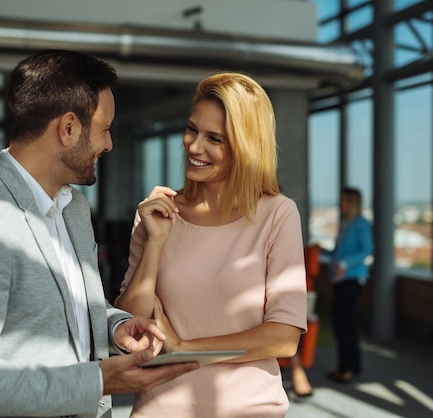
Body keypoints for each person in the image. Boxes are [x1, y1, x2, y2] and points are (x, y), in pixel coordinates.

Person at [0, 49, 198, 418]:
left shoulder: (74, 208)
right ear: (68, 129)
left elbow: (76, 311)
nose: (110, 144)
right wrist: (99, 380)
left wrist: (117, 326)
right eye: (105, 129)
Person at [115, 72, 308, 417]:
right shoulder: (157, 213)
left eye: (214, 138)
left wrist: (184, 348)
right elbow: (131, 323)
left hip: (249, 410)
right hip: (160, 408)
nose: (194, 146)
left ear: (245, 146)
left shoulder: (277, 215)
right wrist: (156, 242)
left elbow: (283, 338)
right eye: (192, 129)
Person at [321, 187, 373, 383]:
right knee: (341, 324)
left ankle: (349, 369)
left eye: (343, 201)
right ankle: (345, 367)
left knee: (346, 325)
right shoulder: (345, 224)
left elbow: (367, 249)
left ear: (352, 203)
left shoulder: (361, 223)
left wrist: (344, 264)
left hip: (352, 279)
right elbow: (337, 253)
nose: (340, 204)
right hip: (340, 280)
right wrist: (321, 252)